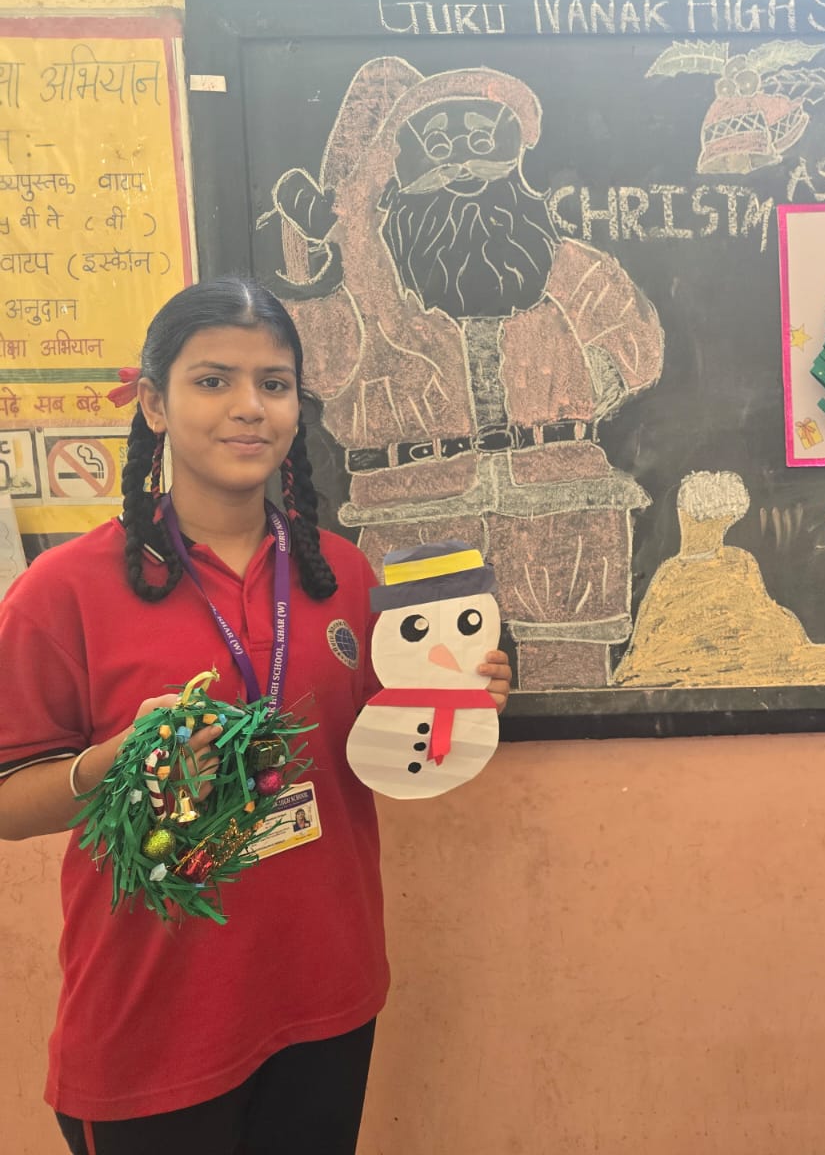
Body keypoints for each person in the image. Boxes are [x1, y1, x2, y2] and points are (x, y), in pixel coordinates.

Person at [0, 278, 511, 1155]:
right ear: (153, 403)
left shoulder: (339, 574)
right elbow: (8, 801)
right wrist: (120, 762)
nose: (249, 407)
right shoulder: (64, 591)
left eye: (274, 384)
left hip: (326, 997)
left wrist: (455, 699)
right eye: (213, 381)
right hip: (154, 1021)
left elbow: (372, 748)